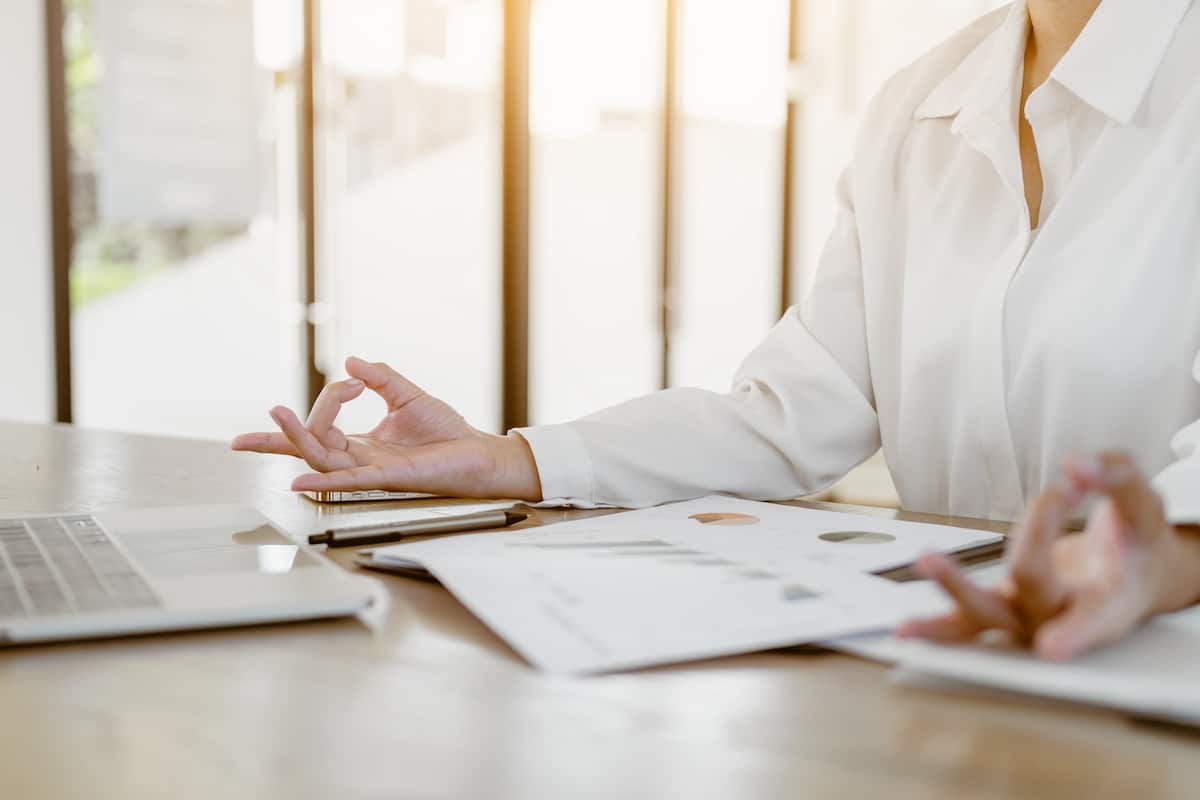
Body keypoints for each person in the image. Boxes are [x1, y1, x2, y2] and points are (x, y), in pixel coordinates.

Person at [234, 0, 1200, 660]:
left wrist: (1165, 559)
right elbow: (789, 416)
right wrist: (508, 459)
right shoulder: (920, 105)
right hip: (950, 668)